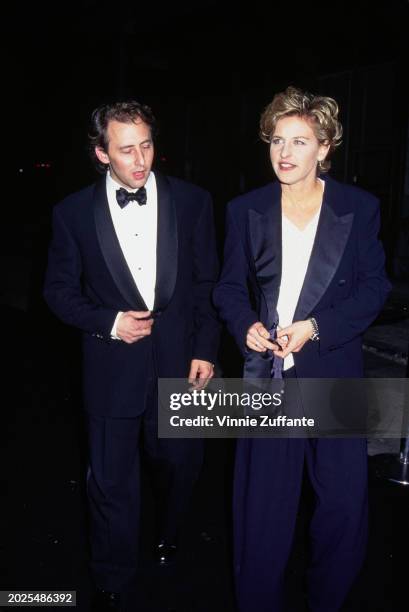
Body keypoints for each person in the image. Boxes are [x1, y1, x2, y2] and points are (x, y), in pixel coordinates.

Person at [214, 86, 391, 612]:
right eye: (276, 141)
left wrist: (316, 326)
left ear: (325, 147)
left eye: (299, 141)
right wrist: (244, 322)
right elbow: (227, 287)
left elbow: (375, 288)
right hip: (267, 375)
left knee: (342, 507)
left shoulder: (358, 209)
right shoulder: (245, 209)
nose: (284, 153)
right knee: (261, 514)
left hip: (334, 371)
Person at [44, 101, 219, 610]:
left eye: (146, 144)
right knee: (111, 481)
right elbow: (57, 290)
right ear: (102, 154)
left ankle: (169, 533)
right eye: (125, 149)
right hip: (109, 368)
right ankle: (113, 575)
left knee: (181, 464)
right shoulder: (72, 214)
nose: (140, 159)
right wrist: (108, 322)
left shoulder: (193, 202)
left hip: (183, 366)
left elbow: (208, 283)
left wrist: (206, 350)